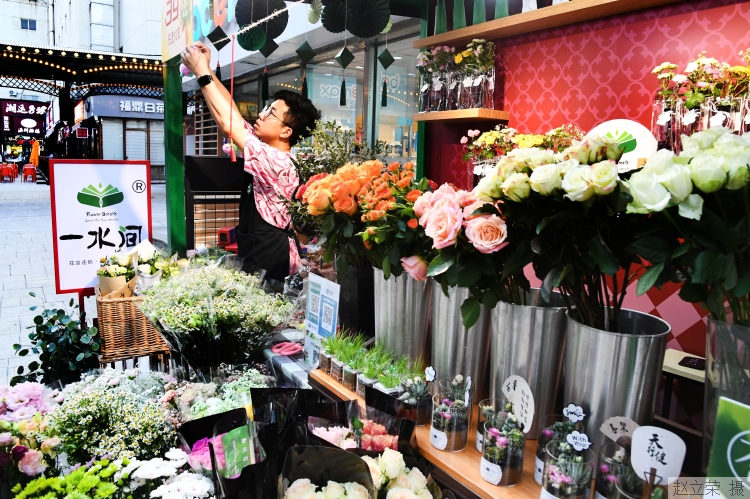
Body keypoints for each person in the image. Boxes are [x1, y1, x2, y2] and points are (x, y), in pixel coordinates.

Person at [181, 42, 320, 281]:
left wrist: (202, 73)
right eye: (266, 108)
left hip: (273, 257)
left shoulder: (278, 161)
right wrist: (207, 70)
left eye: (271, 113)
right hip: (260, 250)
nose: (262, 114)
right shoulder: (265, 149)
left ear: (286, 132)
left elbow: (228, 124)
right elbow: (231, 114)